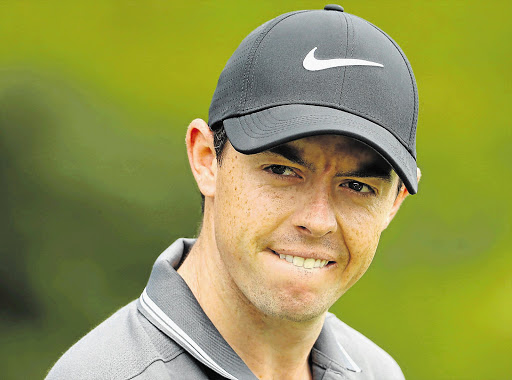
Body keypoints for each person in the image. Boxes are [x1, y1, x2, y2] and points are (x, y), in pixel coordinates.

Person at [47, 4, 420, 380]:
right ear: (206, 159)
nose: (318, 220)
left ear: (393, 203)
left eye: (357, 186)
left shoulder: (377, 372)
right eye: (282, 170)